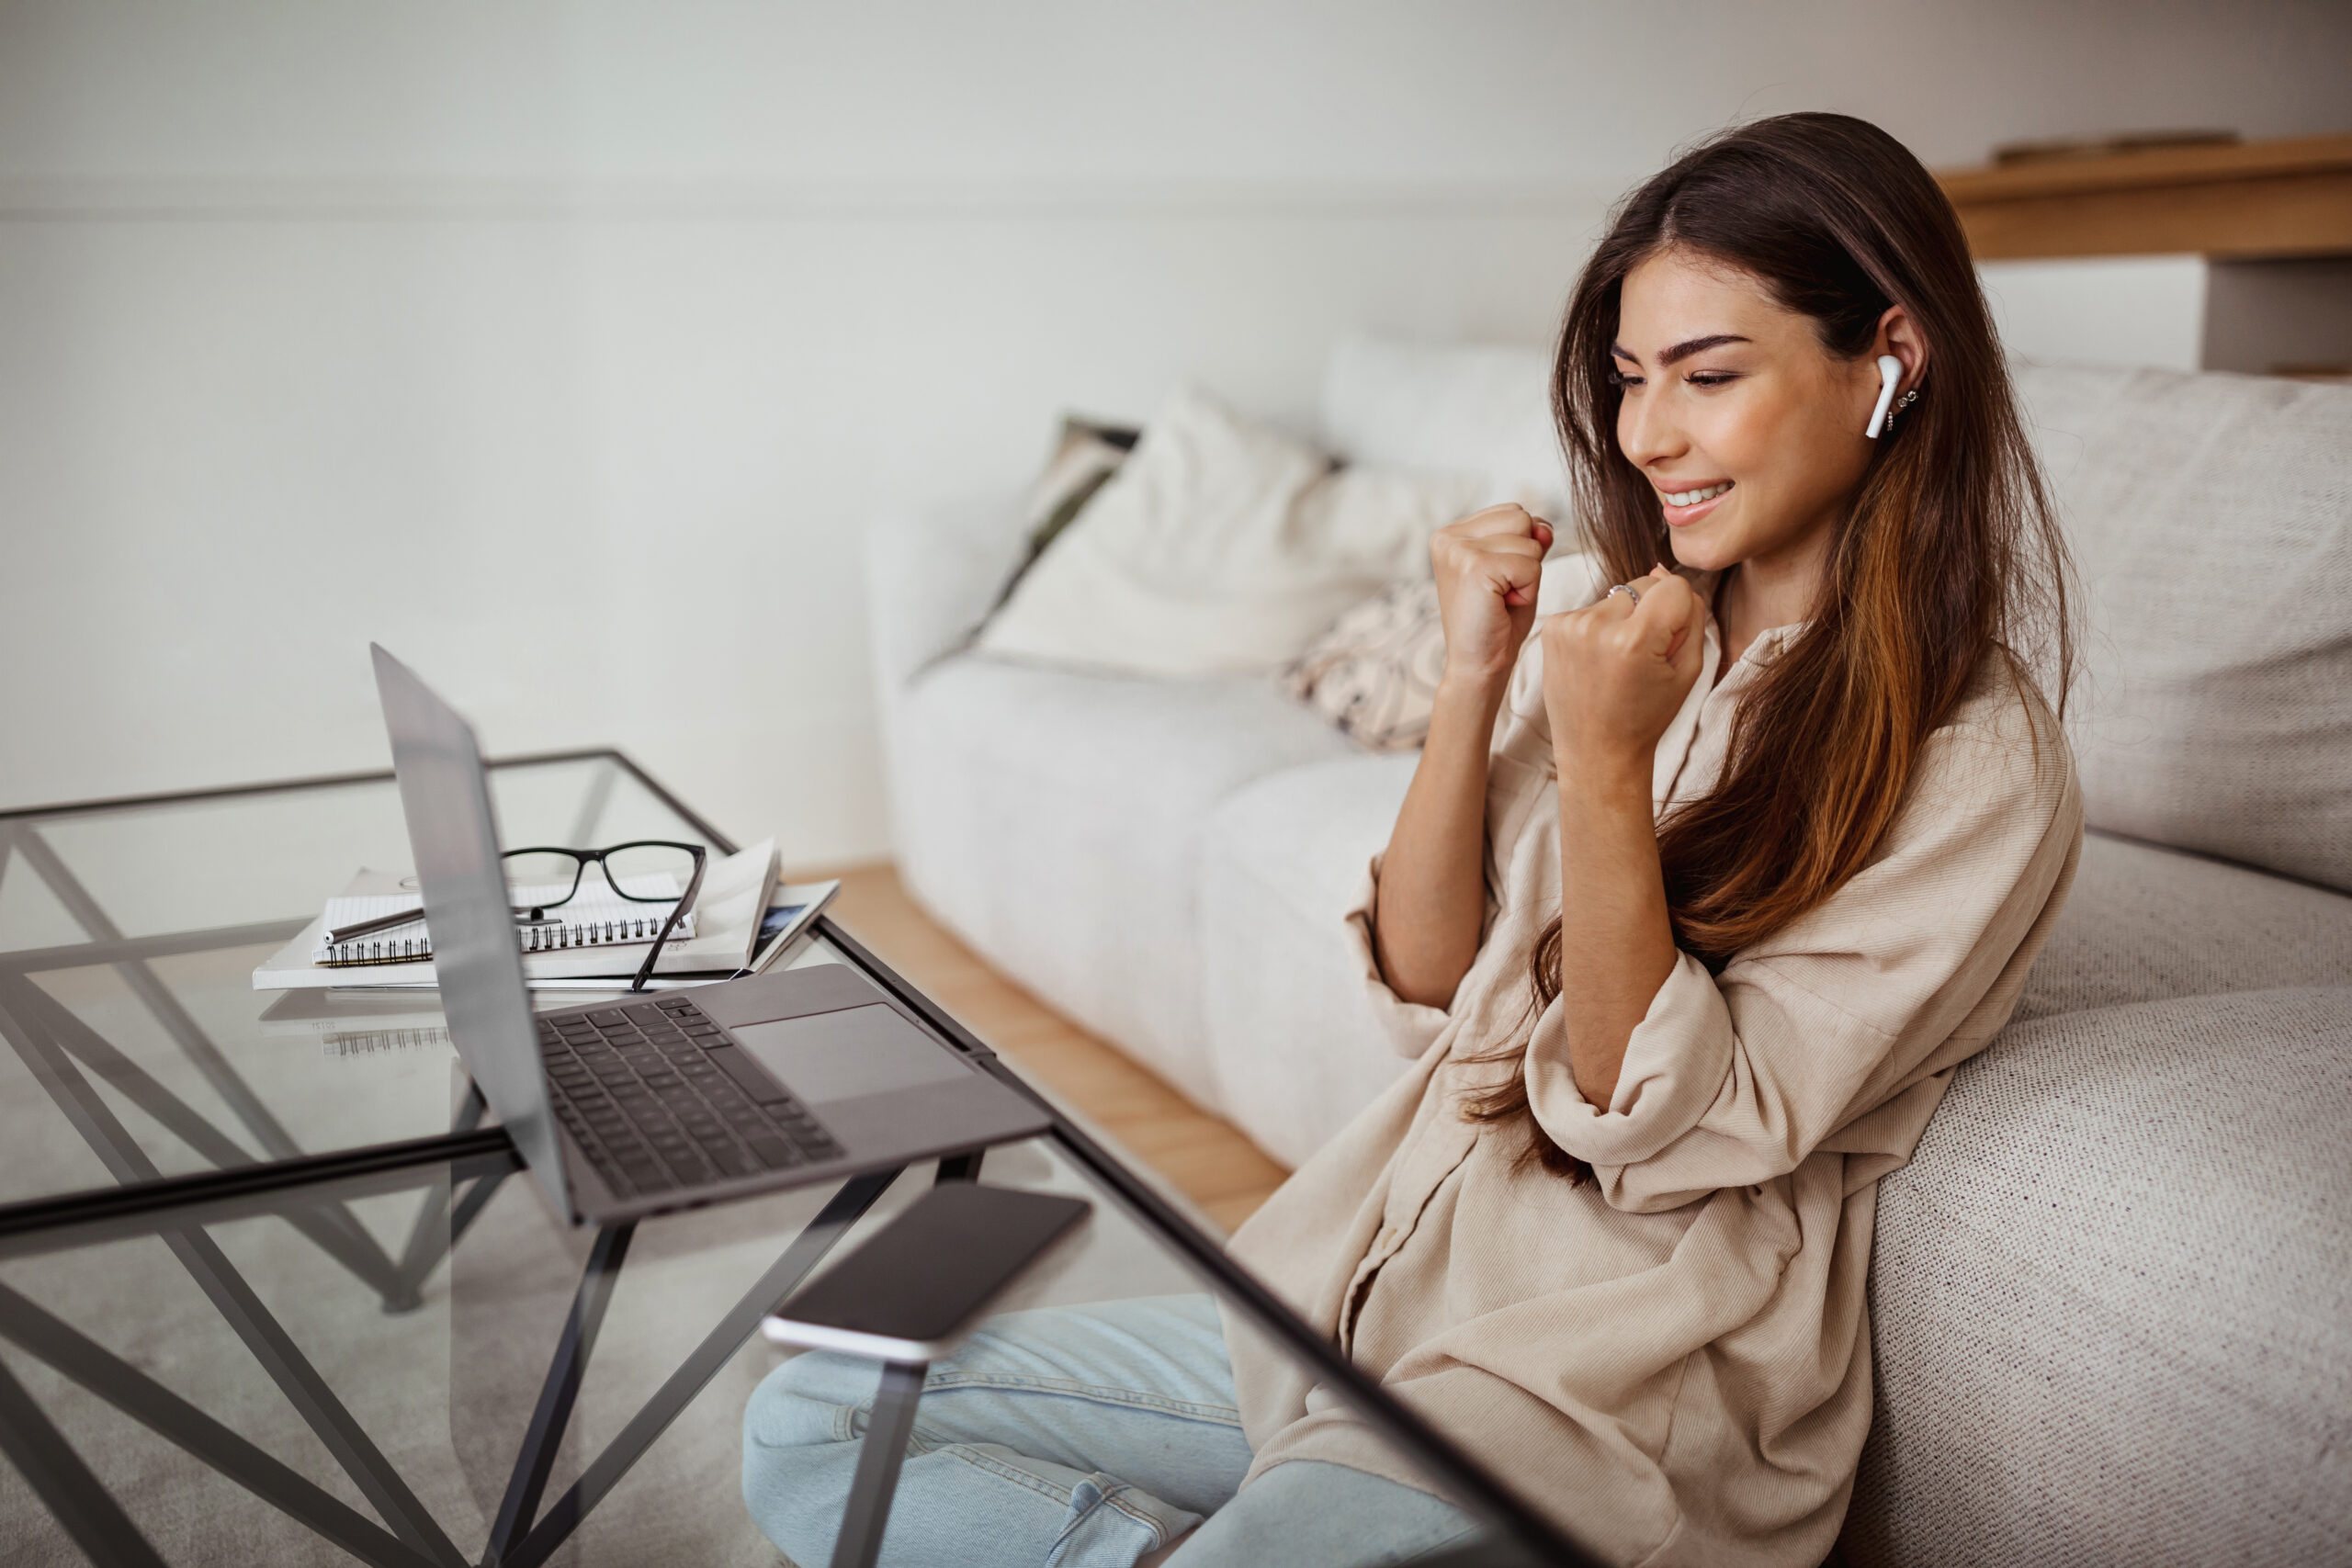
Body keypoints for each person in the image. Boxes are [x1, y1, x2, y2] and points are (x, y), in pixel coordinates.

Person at [742, 111, 2083, 1568]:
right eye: (1633, 380)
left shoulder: (1976, 761)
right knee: (819, 1420)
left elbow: (1646, 1122)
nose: (1645, 437)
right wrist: (1470, 680)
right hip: (1352, 1319)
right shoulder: (1611, 623)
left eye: (1709, 377)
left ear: (1892, 358)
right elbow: (1426, 984)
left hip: (1587, 1413)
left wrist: (1603, 766)